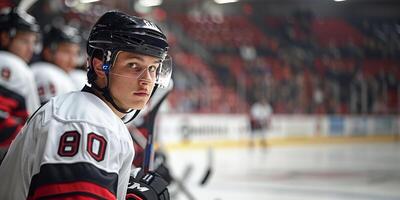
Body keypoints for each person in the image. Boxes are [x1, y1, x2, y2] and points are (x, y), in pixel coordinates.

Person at [0, 10, 172, 200]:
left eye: (153, 68)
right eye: (133, 65)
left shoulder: (94, 117)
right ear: (100, 66)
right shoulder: (88, 124)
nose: (147, 80)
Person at [0, 7, 40, 161]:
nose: (31, 48)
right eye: (24, 40)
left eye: (33, 42)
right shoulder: (11, 64)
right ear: (4, 37)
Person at [31, 25, 85, 104]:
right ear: (48, 52)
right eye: (66, 51)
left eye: (75, 53)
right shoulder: (46, 73)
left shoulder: (72, 76)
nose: (72, 59)